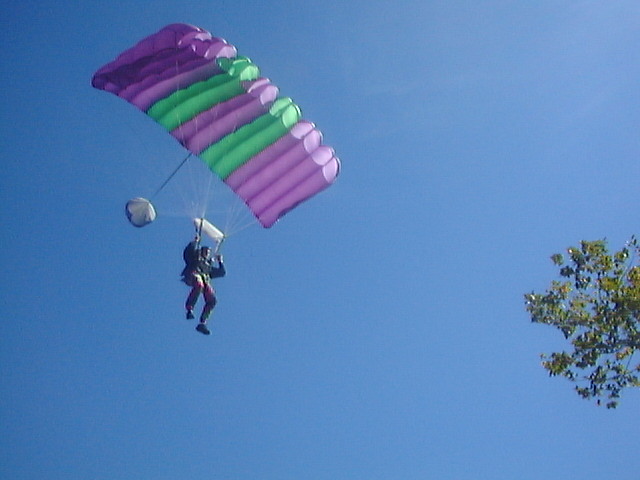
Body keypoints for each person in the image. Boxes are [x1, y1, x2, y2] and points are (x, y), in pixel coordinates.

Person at [181, 235, 226, 335]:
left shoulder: (208, 267)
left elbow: (222, 273)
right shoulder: (195, 257)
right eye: (205, 251)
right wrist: (195, 242)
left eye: (208, 253)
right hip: (193, 275)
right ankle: (189, 309)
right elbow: (187, 252)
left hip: (204, 280)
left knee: (212, 300)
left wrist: (220, 261)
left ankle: (202, 323)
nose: (207, 254)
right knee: (199, 284)